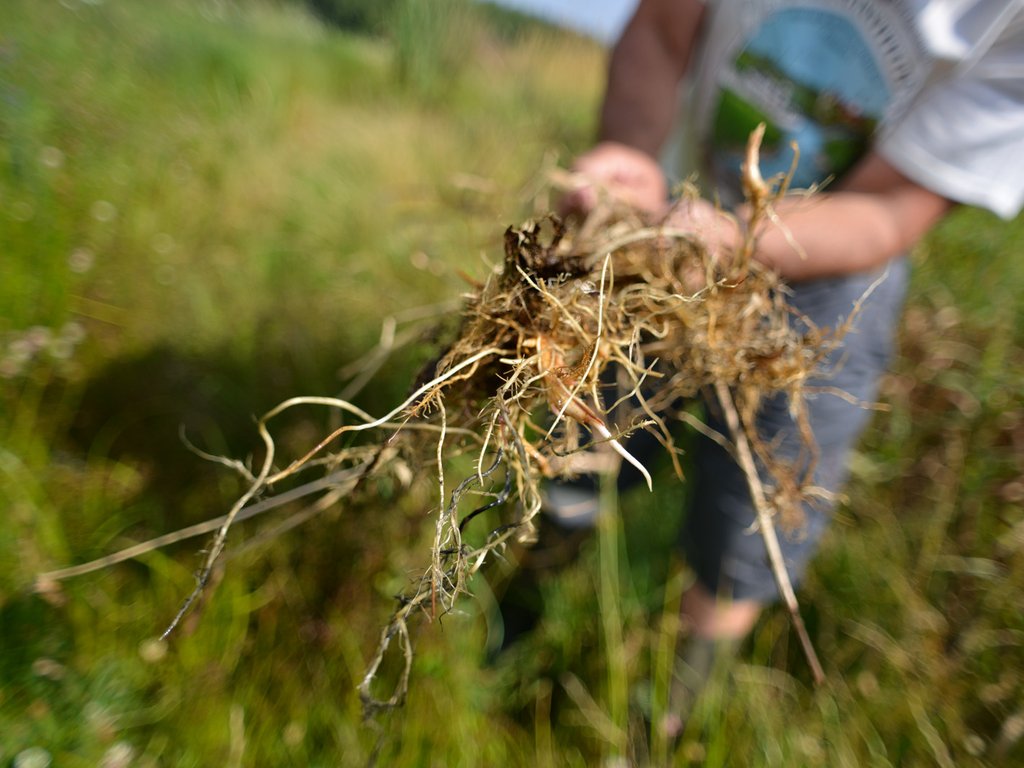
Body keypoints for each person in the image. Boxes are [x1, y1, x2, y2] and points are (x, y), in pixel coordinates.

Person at [547, 0, 1024, 731]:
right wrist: (631, 154)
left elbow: (889, 209)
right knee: (584, 435)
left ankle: (667, 722)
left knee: (755, 516)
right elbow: (662, 29)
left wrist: (733, 240)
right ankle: (520, 613)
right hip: (670, 224)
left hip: (832, 281)